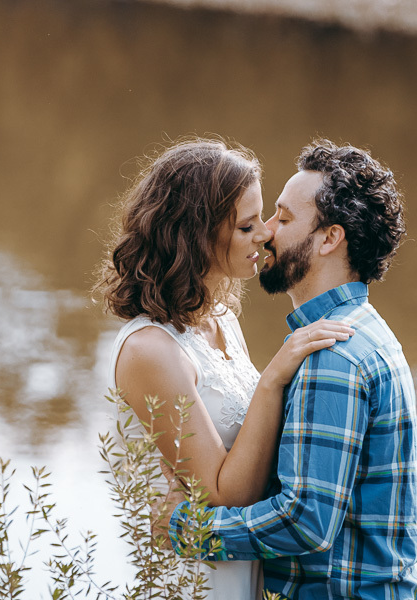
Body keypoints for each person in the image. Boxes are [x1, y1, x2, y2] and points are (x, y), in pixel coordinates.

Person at [157, 139, 417, 599]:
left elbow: (305, 522)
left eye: (282, 218)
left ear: (328, 239)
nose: (265, 232)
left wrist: (187, 529)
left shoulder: (332, 354)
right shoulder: (361, 331)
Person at [95, 137, 355, 600]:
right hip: (195, 578)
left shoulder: (222, 320)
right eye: (247, 225)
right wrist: (274, 377)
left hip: (240, 564)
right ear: (197, 234)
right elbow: (223, 494)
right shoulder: (151, 350)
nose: (265, 235)